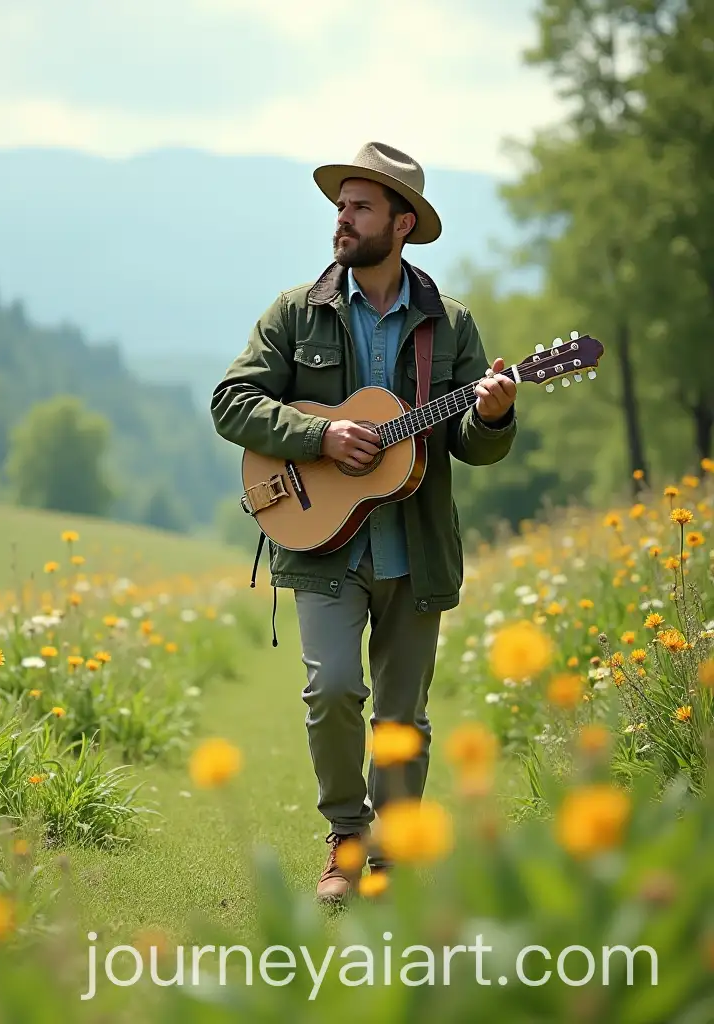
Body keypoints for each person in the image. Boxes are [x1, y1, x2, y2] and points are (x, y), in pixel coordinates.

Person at [210, 141, 517, 904]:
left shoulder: (450, 324)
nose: (341, 220)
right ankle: (347, 839)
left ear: (402, 222)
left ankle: (395, 856)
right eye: (340, 206)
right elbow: (232, 403)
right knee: (333, 690)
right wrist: (320, 437)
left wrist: (494, 415)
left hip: (415, 547)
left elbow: (472, 446)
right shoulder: (294, 312)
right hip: (319, 546)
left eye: (360, 207)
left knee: (403, 716)